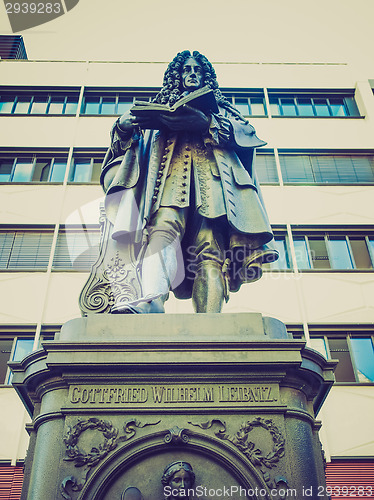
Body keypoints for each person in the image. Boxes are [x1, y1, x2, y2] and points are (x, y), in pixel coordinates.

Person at [101, 50, 278, 314]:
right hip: (167, 180)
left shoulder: (224, 110)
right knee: (162, 232)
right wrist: (123, 126)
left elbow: (247, 135)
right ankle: (151, 301)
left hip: (216, 185)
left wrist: (206, 122)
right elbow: (130, 146)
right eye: (186, 70)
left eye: (198, 70)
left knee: (210, 249)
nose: (192, 74)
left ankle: (210, 319)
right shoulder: (158, 106)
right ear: (177, 76)